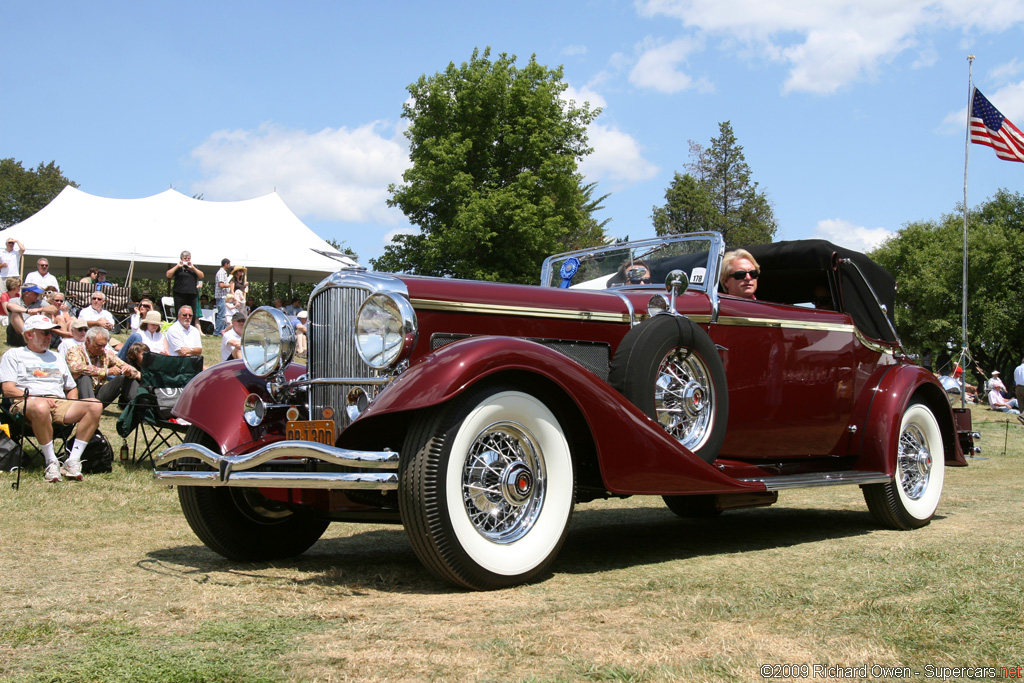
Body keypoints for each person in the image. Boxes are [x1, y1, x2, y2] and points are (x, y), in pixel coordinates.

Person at [0, 315, 103, 482]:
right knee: (40, 406)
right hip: (26, 402)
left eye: (51, 333)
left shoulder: (56, 356)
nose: (50, 337)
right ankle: (51, 461)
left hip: (58, 402)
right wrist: (34, 398)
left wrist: (71, 403)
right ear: (29, 335)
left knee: (94, 405)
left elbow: (71, 387)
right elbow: (8, 389)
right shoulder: (14, 355)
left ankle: (72, 460)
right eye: (45, 333)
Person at [66, 326, 141, 408]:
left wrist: (130, 372)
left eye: (104, 346)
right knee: (85, 377)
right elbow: (76, 368)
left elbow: (124, 365)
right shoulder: (75, 351)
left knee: (124, 378)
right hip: (78, 394)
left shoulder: (106, 353)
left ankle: (141, 409)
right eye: (99, 345)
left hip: (98, 392)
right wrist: (106, 372)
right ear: (87, 341)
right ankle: (89, 409)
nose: (102, 349)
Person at [166, 250, 204, 318]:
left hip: (192, 294)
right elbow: (168, 275)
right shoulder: (177, 267)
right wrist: (178, 266)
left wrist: (193, 268)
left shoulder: (193, 267)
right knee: (180, 312)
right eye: (185, 258)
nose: (187, 260)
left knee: (191, 313)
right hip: (179, 294)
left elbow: (201, 276)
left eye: (188, 258)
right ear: (181, 259)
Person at [213, 258, 232, 335]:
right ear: (226, 264)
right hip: (221, 297)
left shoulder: (223, 273)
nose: (229, 266)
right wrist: (229, 285)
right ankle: (217, 332)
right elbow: (221, 285)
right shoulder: (221, 273)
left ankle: (221, 331)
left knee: (223, 315)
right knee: (221, 316)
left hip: (223, 297)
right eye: (229, 264)